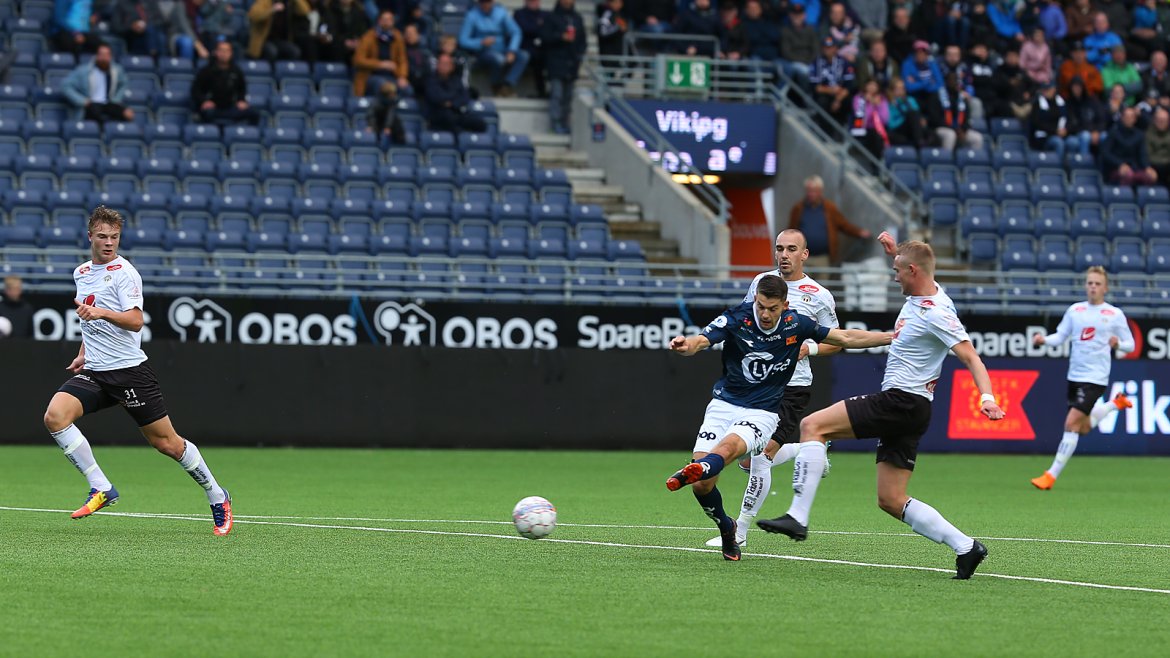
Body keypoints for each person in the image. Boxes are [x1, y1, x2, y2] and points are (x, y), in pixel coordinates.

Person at [757, 234, 1005, 580]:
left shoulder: (936, 313)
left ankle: (798, 516)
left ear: (913, 272)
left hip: (901, 401)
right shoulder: (927, 291)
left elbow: (970, 356)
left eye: (898, 271)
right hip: (913, 409)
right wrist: (897, 252)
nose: (894, 276)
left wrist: (988, 398)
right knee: (891, 499)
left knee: (814, 425)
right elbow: (920, 264)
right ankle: (966, 547)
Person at [664, 275, 892, 561]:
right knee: (703, 485)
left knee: (730, 449)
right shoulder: (738, 317)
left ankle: (702, 474)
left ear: (785, 305)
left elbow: (845, 337)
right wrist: (688, 345)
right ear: (755, 300)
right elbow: (702, 339)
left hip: (762, 411)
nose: (765, 314)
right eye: (761, 306)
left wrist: (891, 337)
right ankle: (726, 525)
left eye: (772, 308)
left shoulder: (797, 324)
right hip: (723, 404)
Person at [41, 206, 233, 536]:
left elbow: (135, 320)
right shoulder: (81, 272)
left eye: (114, 237)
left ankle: (218, 496)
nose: (109, 242)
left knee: (168, 444)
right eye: (102, 236)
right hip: (97, 373)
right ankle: (101, 487)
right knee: (55, 417)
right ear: (90, 237)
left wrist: (100, 312)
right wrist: (83, 353)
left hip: (130, 373)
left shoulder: (125, 273)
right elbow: (90, 322)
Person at [702, 230, 841, 549]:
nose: (784, 254)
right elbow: (744, 322)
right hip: (757, 385)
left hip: (792, 385)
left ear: (804, 254)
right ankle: (811, 452)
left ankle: (739, 532)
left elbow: (836, 341)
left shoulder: (818, 294)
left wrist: (811, 350)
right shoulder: (761, 282)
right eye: (779, 248)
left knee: (761, 457)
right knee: (747, 461)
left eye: (792, 249)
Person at [1030, 267, 1135, 490]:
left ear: (1105, 287)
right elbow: (1060, 336)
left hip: (1096, 377)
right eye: (1090, 283)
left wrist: (1119, 344)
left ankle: (1050, 475)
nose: (1093, 287)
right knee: (1083, 427)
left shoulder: (1114, 314)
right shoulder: (1075, 310)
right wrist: (1043, 340)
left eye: (1097, 283)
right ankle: (1115, 404)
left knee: (1071, 423)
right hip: (1074, 376)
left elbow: (1131, 344)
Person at [788, 175, 870, 268]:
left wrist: (859, 232)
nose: (811, 194)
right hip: (803, 257)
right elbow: (791, 231)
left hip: (822, 258)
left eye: (814, 191)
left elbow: (843, 224)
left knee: (823, 282)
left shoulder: (829, 208)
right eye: (809, 191)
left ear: (820, 192)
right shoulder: (798, 208)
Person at [458, 0, 529, 97]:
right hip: (483, 52)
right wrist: (480, 42)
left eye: (488, 2)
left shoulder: (501, 12)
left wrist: (511, 50)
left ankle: (507, 84)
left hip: (503, 49)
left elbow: (516, 32)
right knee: (497, 59)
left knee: (523, 56)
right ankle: (496, 85)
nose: (486, 4)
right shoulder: (472, 15)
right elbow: (463, 40)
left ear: (493, 2)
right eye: (483, 2)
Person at [191, 40, 260, 126]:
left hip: (230, 107)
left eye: (227, 51)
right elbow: (195, 90)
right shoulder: (206, 71)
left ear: (231, 53)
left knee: (254, 114)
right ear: (216, 52)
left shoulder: (236, 71)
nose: (224, 54)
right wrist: (204, 101)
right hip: (213, 108)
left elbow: (242, 89)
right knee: (205, 114)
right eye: (221, 50)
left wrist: (241, 100)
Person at [542, 0, 586, 135]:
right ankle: (554, 124)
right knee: (556, 94)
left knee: (568, 97)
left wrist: (579, 54)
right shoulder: (551, 17)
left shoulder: (577, 18)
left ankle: (564, 123)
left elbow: (582, 40)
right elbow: (545, 37)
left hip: (572, 63)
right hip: (556, 62)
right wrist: (561, 37)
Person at [62, 44, 133, 125]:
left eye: (106, 55)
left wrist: (117, 99)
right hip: (91, 104)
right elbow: (65, 86)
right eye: (101, 54)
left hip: (109, 103)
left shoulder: (116, 71)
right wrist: (82, 100)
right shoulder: (83, 71)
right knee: (97, 114)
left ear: (110, 57)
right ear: (96, 56)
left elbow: (124, 83)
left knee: (127, 114)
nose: (104, 57)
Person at [424, 53, 488, 134]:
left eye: (447, 64)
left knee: (480, 123)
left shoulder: (456, 80)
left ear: (452, 66)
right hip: (438, 114)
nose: (444, 66)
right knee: (451, 121)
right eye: (442, 63)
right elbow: (436, 97)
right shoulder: (431, 79)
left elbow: (465, 96)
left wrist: (452, 103)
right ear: (437, 65)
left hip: (456, 112)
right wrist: (453, 96)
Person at [352, 10, 409, 97]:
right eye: (384, 19)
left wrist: (402, 76)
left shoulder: (397, 37)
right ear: (379, 21)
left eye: (389, 19)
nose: (386, 22)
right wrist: (380, 64)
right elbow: (358, 60)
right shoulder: (368, 36)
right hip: (371, 76)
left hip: (392, 76)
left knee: (408, 90)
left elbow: (402, 60)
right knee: (384, 87)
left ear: (393, 22)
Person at [1102, 106, 1159, 185]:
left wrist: (1147, 167)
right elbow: (1106, 153)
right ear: (1122, 118)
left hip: (1134, 167)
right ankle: (1124, 196)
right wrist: (1120, 164)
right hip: (1115, 168)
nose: (1129, 119)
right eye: (1126, 116)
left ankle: (1143, 197)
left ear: (1135, 119)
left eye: (1131, 117)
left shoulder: (1139, 135)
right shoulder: (1113, 133)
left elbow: (1142, 154)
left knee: (1150, 176)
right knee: (1128, 175)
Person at [930, 72, 986, 150]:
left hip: (960, 130)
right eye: (952, 80)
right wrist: (954, 129)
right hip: (941, 128)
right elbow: (934, 119)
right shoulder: (937, 96)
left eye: (956, 80)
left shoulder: (962, 98)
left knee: (977, 138)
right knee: (950, 135)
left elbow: (966, 118)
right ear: (947, 82)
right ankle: (946, 159)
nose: (955, 82)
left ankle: (972, 160)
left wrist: (963, 129)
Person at [809, 37, 855, 128]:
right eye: (826, 47)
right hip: (825, 94)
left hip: (840, 94)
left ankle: (842, 129)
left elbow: (849, 84)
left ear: (835, 48)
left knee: (849, 101)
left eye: (830, 47)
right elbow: (815, 86)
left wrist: (838, 99)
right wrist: (831, 90)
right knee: (823, 101)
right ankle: (824, 129)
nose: (828, 50)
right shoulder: (816, 62)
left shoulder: (843, 62)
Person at [1030, 81, 1084, 159]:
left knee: (1073, 142)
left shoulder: (1062, 102)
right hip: (1045, 136)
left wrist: (1066, 130)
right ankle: (1058, 167)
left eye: (1048, 89)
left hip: (1063, 134)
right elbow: (1037, 123)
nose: (1046, 91)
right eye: (1044, 89)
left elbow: (1071, 120)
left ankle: (1073, 167)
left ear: (1054, 89)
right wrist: (1055, 131)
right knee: (1058, 143)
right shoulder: (1037, 104)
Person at [247, 0, 312, 62]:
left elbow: (305, 11)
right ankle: (268, 71)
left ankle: (286, 71)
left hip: (280, 40)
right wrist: (272, 10)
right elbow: (253, 15)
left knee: (295, 51)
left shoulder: (289, 2)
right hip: (264, 40)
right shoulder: (265, 1)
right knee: (272, 51)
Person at [514, 0, 548, 97]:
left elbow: (547, 30)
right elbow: (525, 28)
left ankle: (549, 91)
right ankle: (541, 90)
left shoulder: (545, 14)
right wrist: (539, 27)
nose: (534, 2)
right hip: (526, 48)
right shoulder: (519, 13)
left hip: (542, 48)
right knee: (533, 58)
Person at [851, 78, 890, 160]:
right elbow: (861, 120)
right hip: (862, 130)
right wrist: (870, 105)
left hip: (878, 131)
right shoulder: (858, 98)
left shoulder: (882, 100)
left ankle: (876, 164)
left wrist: (878, 105)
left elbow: (885, 120)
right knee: (875, 137)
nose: (872, 87)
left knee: (878, 137)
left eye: (875, 85)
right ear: (865, 86)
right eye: (870, 84)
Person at [887, 77, 928, 147]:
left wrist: (922, 120)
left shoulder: (911, 100)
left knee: (932, 135)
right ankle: (919, 142)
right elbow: (890, 124)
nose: (901, 90)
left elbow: (918, 116)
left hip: (914, 129)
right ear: (892, 90)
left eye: (903, 88)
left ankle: (920, 143)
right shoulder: (889, 102)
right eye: (898, 88)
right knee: (911, 114)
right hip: (899, 129)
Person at [1147, 107, 1170, 185]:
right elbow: (1147, 155)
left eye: (1164, 120)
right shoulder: (1148, 134)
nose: (1161, 122)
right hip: (1153, 166)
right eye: (1159, 120)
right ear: (1154, 120)